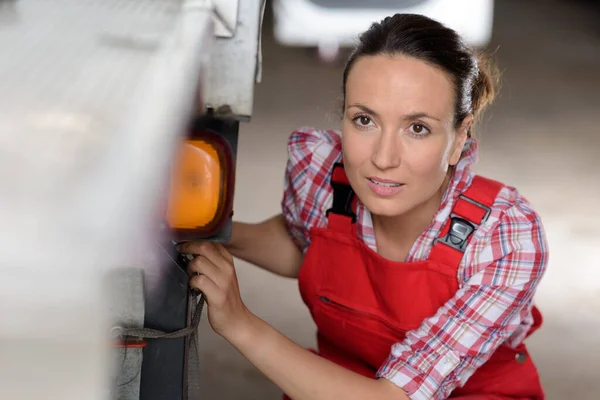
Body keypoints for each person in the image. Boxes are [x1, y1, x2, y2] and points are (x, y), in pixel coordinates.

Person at [177, 13, 549, 400]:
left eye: (417, 128)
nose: (383, 158)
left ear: (459, 138)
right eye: (365, 120)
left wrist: (241, 323)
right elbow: (305, 244)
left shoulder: (505, 238)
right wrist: (212, 229)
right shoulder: (325, 174)